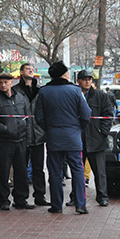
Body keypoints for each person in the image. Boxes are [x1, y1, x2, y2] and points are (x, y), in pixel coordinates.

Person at [35, 61, 92, 214]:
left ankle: (56, 205)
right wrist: (78, 127)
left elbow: (39, 117)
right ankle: (81, 204)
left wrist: (49, 128)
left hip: (53, 137)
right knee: (77, 171)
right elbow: (86, 114)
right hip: (73, 137)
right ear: (63, 74)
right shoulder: (75, 91)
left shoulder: (44, 92)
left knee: (55, 172)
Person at [0, 73, 35, 210]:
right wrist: (4, 129)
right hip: (4, 141)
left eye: (6, 82)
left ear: (11, 83)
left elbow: (28, 118)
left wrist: (29, 139)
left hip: (21, 140)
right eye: (0, 83)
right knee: (3, 172)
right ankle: (4, 201)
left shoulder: (21, 98)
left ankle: (21, 199)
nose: (3, 85)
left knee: (21, 172)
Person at [66, 69, 113, 207]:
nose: (87, 81)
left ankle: (103, 196)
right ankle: (75, 196)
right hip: (77, 139)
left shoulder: (100, 95)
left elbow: (108, 114)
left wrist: (102, 132)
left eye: (89, 79)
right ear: (78, 81)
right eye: (84, 79)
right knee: (77, 170)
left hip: (96, 139)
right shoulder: (73, 95)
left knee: (99, 171)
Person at [12, 63, 50, 206]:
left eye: (32, 69)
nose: (31, 71)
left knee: (38, 168)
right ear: (21, 72)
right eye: (27, 69)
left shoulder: (40, 91)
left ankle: (40, 196)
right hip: (21, 135)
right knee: (21, 168)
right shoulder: (15, 90)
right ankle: (20, 198)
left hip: (38, 135)